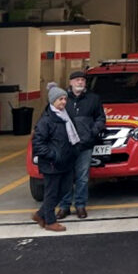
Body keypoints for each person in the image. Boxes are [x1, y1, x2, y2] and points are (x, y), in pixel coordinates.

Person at [56, 71, 105, 220]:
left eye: (83, 80)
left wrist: (92, 132)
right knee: (66, 176)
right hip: (66, 145)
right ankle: (64, 207)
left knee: (82, 177)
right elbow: (52, 116)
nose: (80, 82)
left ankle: (80, 205)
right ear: (70, 82)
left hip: (85, 144)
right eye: (77, 80)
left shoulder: (94, 99)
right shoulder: (62, 99)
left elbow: (101, 118)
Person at [30, 84, 80, 232]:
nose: (63, 102)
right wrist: (54, 155)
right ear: (52, 101)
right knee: (52, 192)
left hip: (66, 162)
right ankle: (50, 221)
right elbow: (38, 144)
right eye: (60, 99)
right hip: (52, 164)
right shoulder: (46, 121)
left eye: (65, 99)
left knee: (65, 189)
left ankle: (40, 214)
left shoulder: (65, 116)